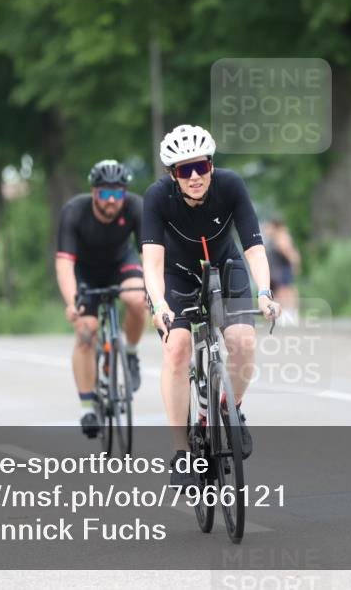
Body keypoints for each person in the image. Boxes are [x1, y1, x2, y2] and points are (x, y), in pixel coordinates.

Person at [141, 124, 280, 487]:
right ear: (173, 175)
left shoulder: (231, 185)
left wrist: (264, 292)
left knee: (243, 343)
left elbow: (254, 247)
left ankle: (228, 410)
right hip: (176, 276)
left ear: (211, 166)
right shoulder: (157, 197)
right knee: (177, 350)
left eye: (200, 166)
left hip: (226, 268)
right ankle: (182, 450)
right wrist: (158, 304)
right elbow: (152, 263)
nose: (195, 176)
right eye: (185, 170)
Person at [55, 159, 147, 438]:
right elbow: (64, 264)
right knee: (86, 331)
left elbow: (149, 255)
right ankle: (87, 407)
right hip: (85, 271)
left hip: (122, 263)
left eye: (117, 193)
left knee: (136, 299)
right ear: (94, 193)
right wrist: (72, 302)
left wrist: (156, 292)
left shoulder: (136, 206)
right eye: (105, 193)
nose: (111, 200)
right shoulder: (74, 211)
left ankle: (130, 354)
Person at [263, 216, 301, 325]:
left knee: (284, 291)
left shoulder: (281, 236)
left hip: (282, 268)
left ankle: (288, 314)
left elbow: (288, 251)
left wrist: (294, 264)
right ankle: (287, 314)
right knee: (283, 291)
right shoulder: (277, 236)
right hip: (279, 268)